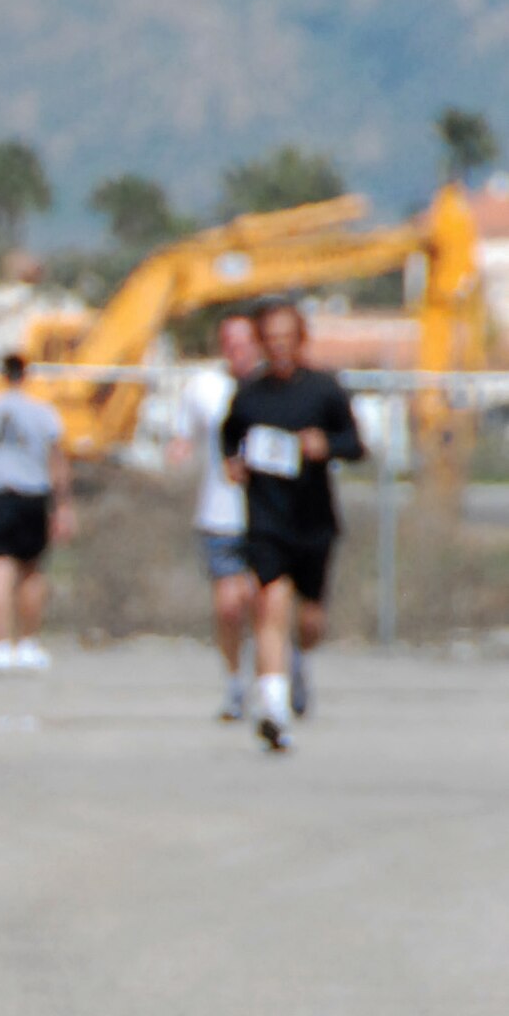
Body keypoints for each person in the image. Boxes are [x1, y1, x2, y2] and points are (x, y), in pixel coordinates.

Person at [221, 299, 363, 752]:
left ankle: (300, 660)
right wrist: (233, 462)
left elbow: (355, 444)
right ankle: (273, 710)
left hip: (313, 519)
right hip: (267, 519)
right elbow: (230, 436)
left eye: (287, 338)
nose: (279, 347)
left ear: (300, 340)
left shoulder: (324, 390)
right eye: (271, 339)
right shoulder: (250, 394)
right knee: (269, 605)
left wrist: (325, 445)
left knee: (310, 618)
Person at [0, 354, 74, 669]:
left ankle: (0, 644)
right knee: (30, 568)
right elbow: (57, 460)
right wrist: (62, 504)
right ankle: (28, 642)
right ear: (26, 375)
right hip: (31, 493)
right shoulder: (43, 412)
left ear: (2, 374)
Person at [175, 316, 261, 720]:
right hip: (220, 514)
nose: (237, 350)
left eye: (245, 342)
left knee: (264, 603)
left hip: (268, 515)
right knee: (229, 607)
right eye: (230, 342)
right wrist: (178, 451)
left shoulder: (274, 389)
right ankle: (235, 683)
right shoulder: (204, 389)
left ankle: (277, 677)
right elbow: (185, 437)